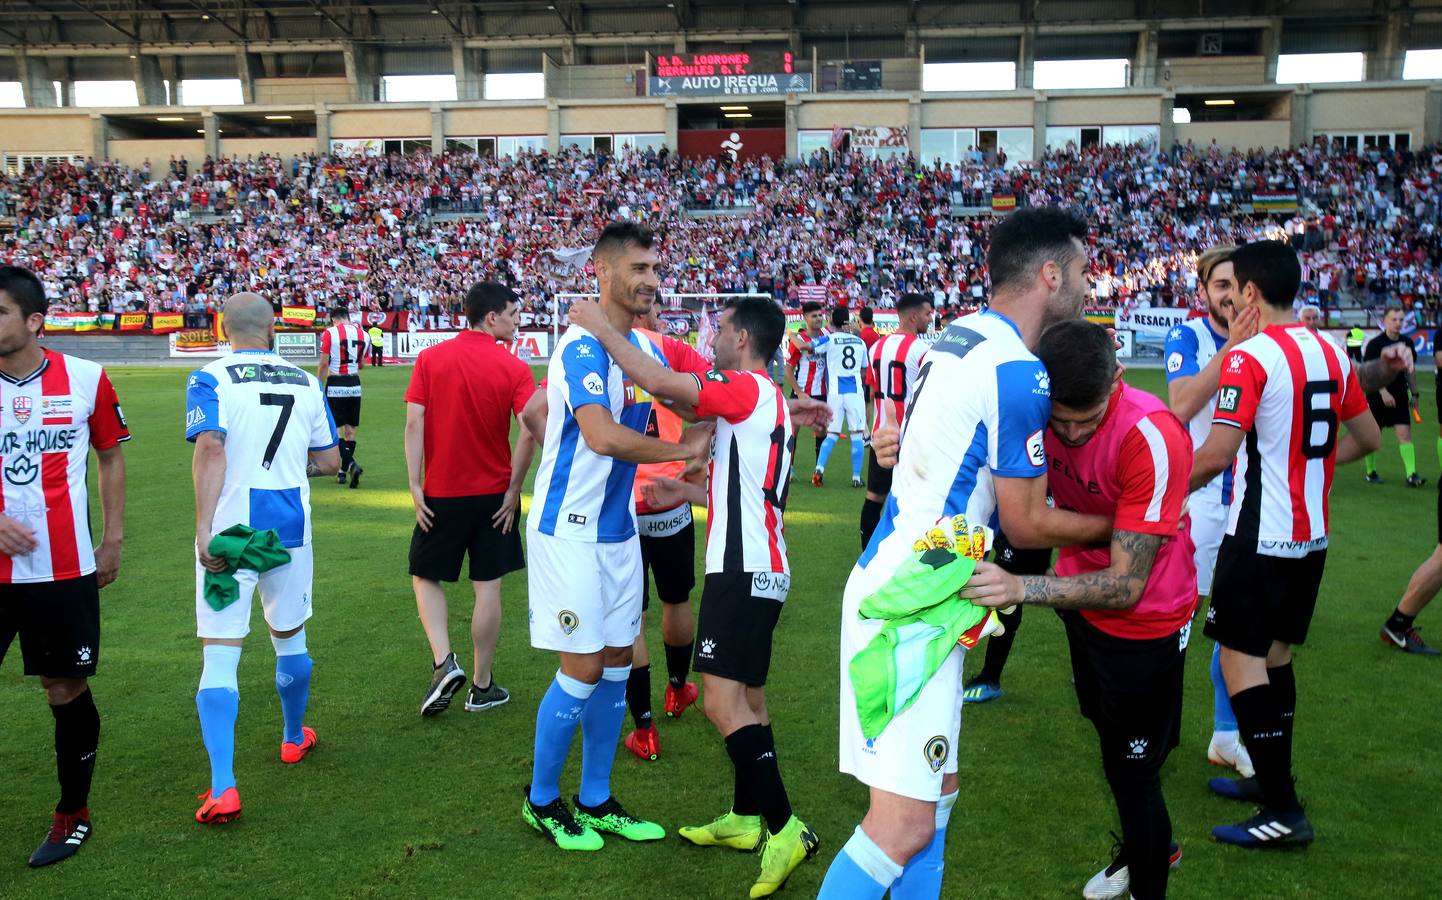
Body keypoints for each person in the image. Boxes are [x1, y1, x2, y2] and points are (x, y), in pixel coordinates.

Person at [817, 208, 1112, 900]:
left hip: (916, 586)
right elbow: (1026, 522)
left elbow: (913, 455)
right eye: (1081, 273)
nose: (1087, 288)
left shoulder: (953, 338)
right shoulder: (1017, 369)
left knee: (938, 794)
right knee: (901, 827)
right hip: (912, 602)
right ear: (1050, 275)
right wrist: (1121, 525)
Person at [569, 294, 823, 899]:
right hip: (761, 564)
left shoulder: (746, 388)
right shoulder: (762, 405)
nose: (712, 338)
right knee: (750, 699)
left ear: (743, 339)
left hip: (742, 568)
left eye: (721, 330)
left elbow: (659, 380)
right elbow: (746, 492)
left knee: (718, 702)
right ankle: (743, 818)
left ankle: (785, 828)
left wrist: (601, 327)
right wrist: (687, 497)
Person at [963, 320, 1196, 900]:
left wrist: (1022, 588)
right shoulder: (1034, 408)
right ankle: (1148, 848)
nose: (1066, 434)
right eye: (1057, 419)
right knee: (1108, 734)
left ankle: (1150, 867)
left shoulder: (1152, 435)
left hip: (1147, 624)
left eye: (1084, 420)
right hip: (1082, 612)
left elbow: (1126, 585)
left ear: (1118, 379)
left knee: (1136, 771)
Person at [1190, 240, 1379, 847]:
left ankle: (1281, 807)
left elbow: (1218, 453)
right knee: (1274, 656)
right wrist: (1309, 471)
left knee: (1241, 659)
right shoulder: (1333, 350)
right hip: (1311, 536)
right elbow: (1369, 437)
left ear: (1248, 292)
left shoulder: (1251, 358)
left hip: (1258, 535)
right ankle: (1270, 783)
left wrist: (1152, 491)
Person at [521, 222, 702, 852]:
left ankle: (595, 798)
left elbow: (695, 391)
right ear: (601, 272)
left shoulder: (631, 348)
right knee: (583, 665)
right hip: (567, 531)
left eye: (656, 268)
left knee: (621, 660)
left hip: (616, 530)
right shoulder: (581, 348)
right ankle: (542, 800)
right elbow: (600, 436)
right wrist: (683, 451)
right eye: (639, 268)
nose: (652, 280)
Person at [186, 291, 341, 826]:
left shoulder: (209, 377)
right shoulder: (306, 382)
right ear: (274, 330)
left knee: (222, 653)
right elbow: (330, 460)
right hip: (288, 528)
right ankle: (294, 737)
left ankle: (224, 786)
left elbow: (210, 447)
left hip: (231, 533)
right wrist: (292, 467)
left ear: (219, 327)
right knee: (291, 638)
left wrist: (203, 530)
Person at [0, 265, 128, 867]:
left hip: (63, 566)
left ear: (33, 320)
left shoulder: (85, 378)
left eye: (0, 310)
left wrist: (113, 540)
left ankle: (72, 812)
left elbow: (109, 458)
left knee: (64, 686)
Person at [405, 282, 536, 717]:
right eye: (513, 313)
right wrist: (515, 488)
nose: (518, 320)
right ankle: (481, 686)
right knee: (488, 586)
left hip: (441, 492)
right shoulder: (514, 368)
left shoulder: (430, 358)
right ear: (491, 317)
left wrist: (414, 484)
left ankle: (444, 661)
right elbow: (530, 428)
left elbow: (414, 423)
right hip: (494, 497)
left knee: (425, 575)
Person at [1162, 245, 1260, 779]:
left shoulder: (1267, 340)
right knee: (1179, 620)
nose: (1229, 294)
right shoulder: (1189, 336)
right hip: (1198, 501)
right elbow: (1179, 406)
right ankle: (1156, 730)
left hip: (1250, 504)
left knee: (1235, 625)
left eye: (1236, 284)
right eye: (1219, 284)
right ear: (1205, 292)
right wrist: (1233, 350)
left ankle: (1226, 735)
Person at [860, 293, 931, 549]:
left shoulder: (876, 348)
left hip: (881, 435)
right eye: (927, 313)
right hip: (911, 439)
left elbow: (872, 390)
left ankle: (865, 556)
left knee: (873, 499)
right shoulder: (922, 350)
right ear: (914, 316)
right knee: (916, 503)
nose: (929, 318)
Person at [806, 307, 870, 487]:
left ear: (831, 320)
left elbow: (810, 347)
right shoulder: (860, 342)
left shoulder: (829, 339)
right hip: (854, 392)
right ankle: (856, 478)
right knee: (857, 435)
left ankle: (819, 468)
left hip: (835, 392)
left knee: (832, 434)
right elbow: (864, 369)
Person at [1362, 305, 1422, 487]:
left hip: (1400, 395)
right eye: (1394, 319)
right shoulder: (1375, 344)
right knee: (1373, 437)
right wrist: (1383, 392)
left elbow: (1410, 370)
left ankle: (1412, 475)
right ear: (1385, 321)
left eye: (1401, 320)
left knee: (1404, 433)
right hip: (1377, 395)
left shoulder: (1407, 343)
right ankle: (1370, 472)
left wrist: (1415, 393)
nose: (1398, 323)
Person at [317, 307, 367, 488]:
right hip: (354, 384)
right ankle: (342, 472)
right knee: (351, 430)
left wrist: (318, 385)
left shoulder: (330, 333)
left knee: (336, 431)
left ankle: (351, 464)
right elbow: (361, 364)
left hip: (336, 383)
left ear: (333, 320)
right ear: (348, 317)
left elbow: (323, 363)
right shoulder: (364, 335)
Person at [784, 301, 828, 473]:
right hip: (802, 393)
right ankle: (789, 468)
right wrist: (799, 392)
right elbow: (788, 370)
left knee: (821, 431)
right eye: (814, 316)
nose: (818, 319)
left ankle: (819, 469)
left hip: (822, 393)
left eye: (819, 315)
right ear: (805, 318)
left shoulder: (826, 335)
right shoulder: (799, 340)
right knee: (793, 431)